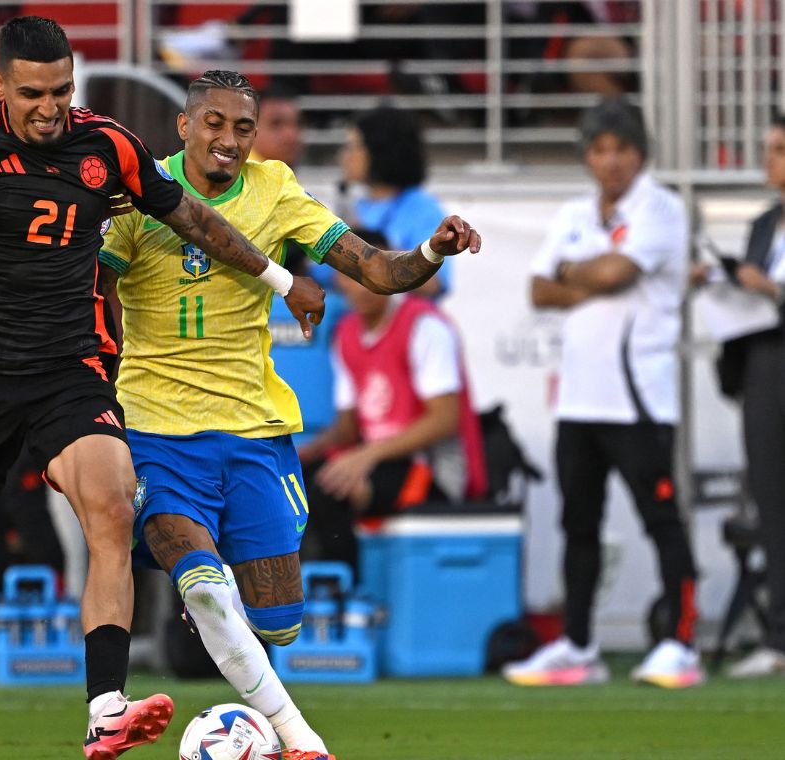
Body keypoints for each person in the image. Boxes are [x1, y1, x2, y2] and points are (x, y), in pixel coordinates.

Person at [0, 17, 326, 758]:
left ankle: (105, 707)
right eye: (34, 93)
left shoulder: (107, 146)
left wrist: (280, 276)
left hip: (73, 369)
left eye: (62, 90)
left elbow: (196, 220)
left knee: (109, 508)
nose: (50, 107)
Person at [99, 70, 481, 760]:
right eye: (214, 123)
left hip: (253, 431)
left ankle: (232, 645)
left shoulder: (275, 190)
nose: (229, 139)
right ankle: (303, 741)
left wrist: (432, 249)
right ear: (184, 125)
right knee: (204, 585)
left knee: (278, 622)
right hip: (156, 427)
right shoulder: (138, 192)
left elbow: (378, 271)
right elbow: (85, 289)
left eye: (243, 128)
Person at [505, 99, 702, 688]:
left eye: (621, 148)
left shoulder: (662, 207)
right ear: (587, 157)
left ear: (640, 152)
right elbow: (538, 290)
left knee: (662, 519)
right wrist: (589, 272)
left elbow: (618, 274)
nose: (611, 160)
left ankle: (680, 644)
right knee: (578, 526)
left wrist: (574, 271)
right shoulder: (573, 212)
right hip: (579, 403)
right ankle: (578, 645)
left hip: (639, 399)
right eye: (599, 149)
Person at [298, 238, 487, 569]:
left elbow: (445, 419)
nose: (366, 283)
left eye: (378, 268)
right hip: (379, 460)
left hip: (430, 468)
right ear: (339, 278)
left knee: (334, 492)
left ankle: (344, 599)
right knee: (292, 484)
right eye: (355, 271)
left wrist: (365, 456)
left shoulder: (424, 325)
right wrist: (302, 453)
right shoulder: (346, 333)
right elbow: (348, 428)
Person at [712, 113, 785, 679]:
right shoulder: (764, 223)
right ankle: (779, 636)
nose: (771, 161)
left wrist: (774, 289)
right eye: (768, 149)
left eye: (780, 149)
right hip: (764, 363)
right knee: (772, 499)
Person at [337, 106, 452, 299]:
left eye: (352, 147)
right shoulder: (354, 208)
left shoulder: (423, 209)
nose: (343, 157)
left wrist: (366, 252)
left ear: (379, 149)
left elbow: (434, 283)